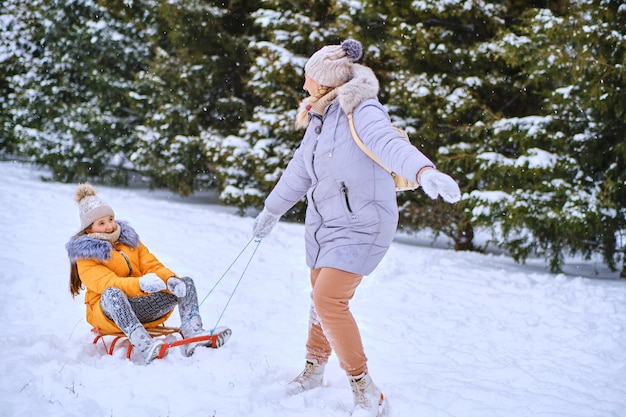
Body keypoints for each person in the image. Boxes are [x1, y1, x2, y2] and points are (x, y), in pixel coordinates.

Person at [252, 39, 461, 416]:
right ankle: (314, 369)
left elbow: (386, 144)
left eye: (309, 78)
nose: (304, 86)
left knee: (329, 300)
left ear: (328, 82)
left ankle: (365, 387)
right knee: (319, 297)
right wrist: (271, 211)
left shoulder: (361, 110)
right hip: (324, 225)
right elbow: (299, 172)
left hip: (364, 223)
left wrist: (424, 171)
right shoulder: (317, 119)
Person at [66, 183, 231, 364]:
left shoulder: (129, 241)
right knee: (112, 293)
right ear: (88, 229)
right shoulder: (85, 255)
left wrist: (169, 280)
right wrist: (140, 285)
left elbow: (151, 265)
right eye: (102, 223)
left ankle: (193, 331)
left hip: (140, 306)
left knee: (185, 282)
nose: (110, 226)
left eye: (111, 219)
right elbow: (107, 282)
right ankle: (143, 343)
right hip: (109, 313)